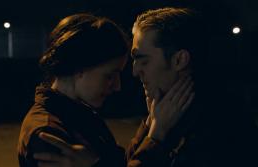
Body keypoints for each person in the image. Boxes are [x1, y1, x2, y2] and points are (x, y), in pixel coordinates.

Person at [31, 7, 258, 167]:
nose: (134, 72)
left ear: (179, 60)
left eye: (142, 59)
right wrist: (152, 129)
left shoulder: (219, 128)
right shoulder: (173, 115)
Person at [17, 13, 195, 167]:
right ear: (80, 68)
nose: (117, 86)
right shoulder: (48, 134)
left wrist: (150, 124)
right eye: (109, 75)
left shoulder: (79, 113)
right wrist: (156, 136)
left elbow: (120, 163)